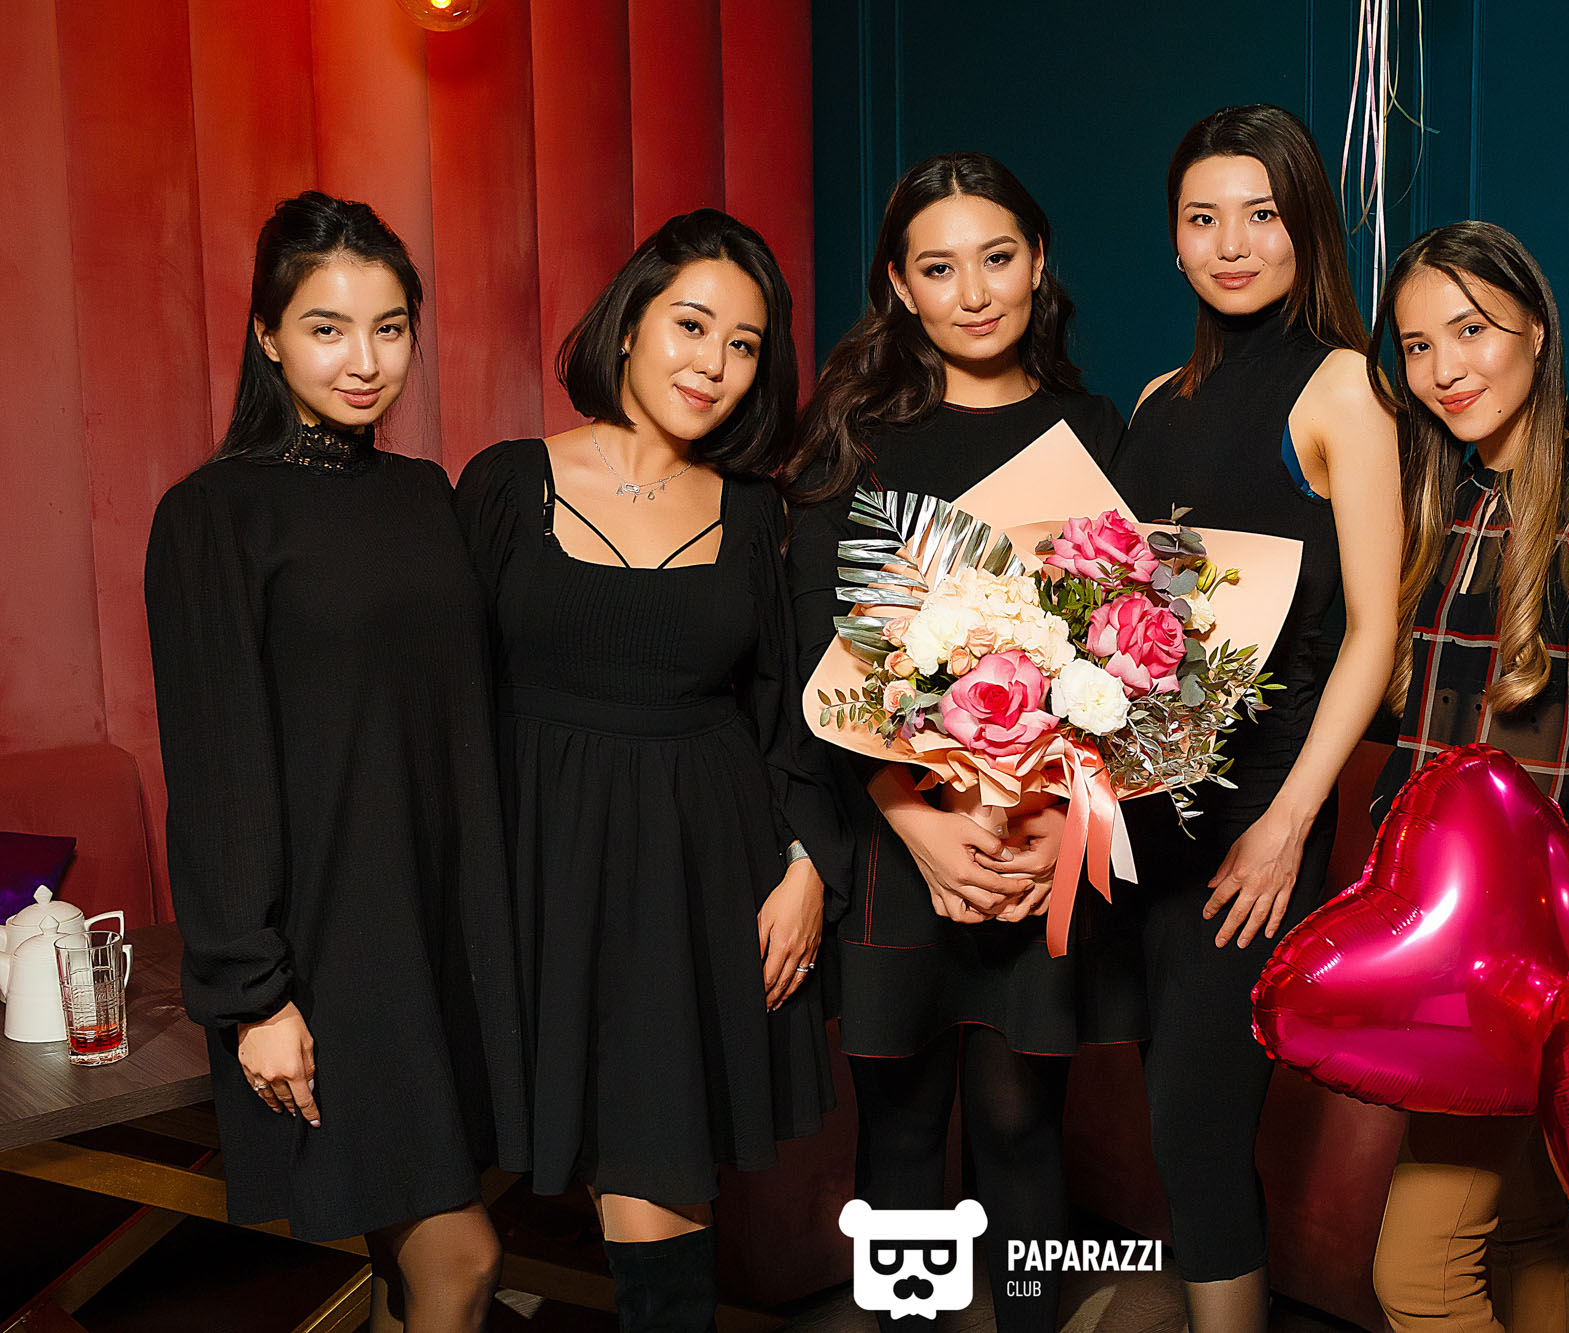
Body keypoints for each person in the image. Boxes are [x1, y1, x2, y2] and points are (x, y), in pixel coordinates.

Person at [453, 208, 842, 1331]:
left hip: (693, 881)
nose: (713, 363)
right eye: (691, 325)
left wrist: (807, 866)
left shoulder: (758, 512)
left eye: (744, 343)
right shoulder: (503, 484)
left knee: (660, 1211)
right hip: (535, 868)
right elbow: (443, 703)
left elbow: (791, 709)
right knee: (448, 1204)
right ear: (628, 324)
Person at [145, 191, 527, 1329]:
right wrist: (253, 993)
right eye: (327, 327)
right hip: (325, 956)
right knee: (460, 1258)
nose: (365, 362)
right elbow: (212, 771)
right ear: (267, 334)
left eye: (390, 328)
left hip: (439, 933)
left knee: (412, 1262)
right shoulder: (212, 515)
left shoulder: (426, 496)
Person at [787, 151, 1145, 1332]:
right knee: (897, 1134)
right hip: (898, 839)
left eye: (996, 258)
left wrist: (1044, 828)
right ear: (898, 285)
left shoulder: (1092, 430)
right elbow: (818, 654)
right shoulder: (854, 438)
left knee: (1019, 1125)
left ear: (1037, 264)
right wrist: (917, 824)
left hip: (1038, 839)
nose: (974, 292)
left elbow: (1127, 654)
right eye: (938, 269)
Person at [1108, 105, 1403, 1332]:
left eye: (1261, 215)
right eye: (1202, 218)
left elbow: (1374, 631)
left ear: (1305, 228)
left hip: (1256, 815)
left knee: (1198, 1120)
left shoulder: (1343, 386)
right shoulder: (1152, 397)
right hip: (1137, 805)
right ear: (1173, 240)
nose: (1231, 244)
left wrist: (1288, 823)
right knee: (1168, 1111)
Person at [1365, 219, 1569, 1333]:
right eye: (1415, 346)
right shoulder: (1438, 513)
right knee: (1532, 1233)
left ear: (1536, 332)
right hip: (1433, 941)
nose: (1442, 369)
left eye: (1470, 330)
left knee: (1416, 1276)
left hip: (1536, 966)